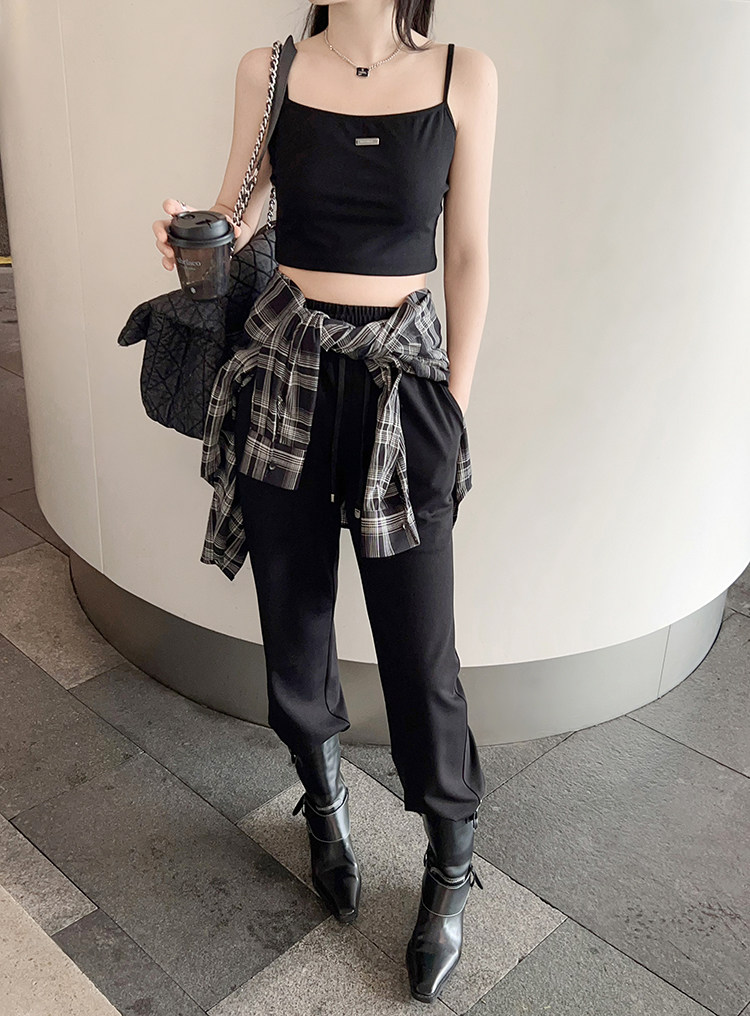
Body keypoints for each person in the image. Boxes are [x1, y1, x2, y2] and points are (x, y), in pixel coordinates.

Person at [152, 0, 498, 1004]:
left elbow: (468, 253)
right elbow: (240, 213)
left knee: (421, 653)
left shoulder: (464, 75)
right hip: (286, 372)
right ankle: (325, 803)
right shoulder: (268, 69)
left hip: (404, 386)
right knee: (294, 624)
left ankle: (448, 865)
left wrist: (452, 409)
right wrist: (192, 239)